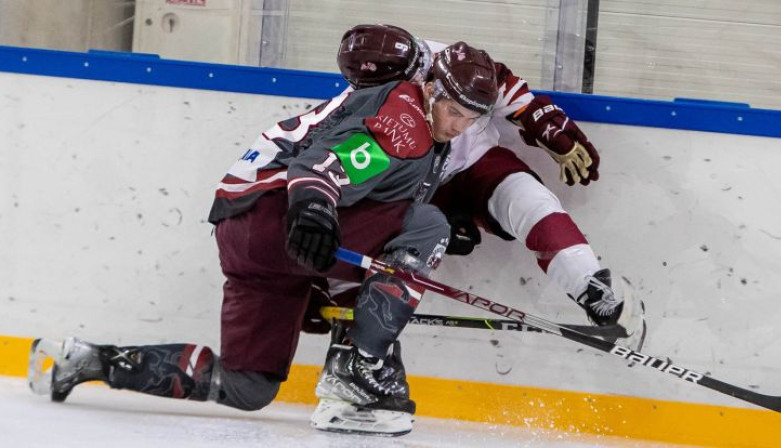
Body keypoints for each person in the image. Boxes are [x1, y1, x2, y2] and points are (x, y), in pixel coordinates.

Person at [28, 40, 500, 437]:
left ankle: (85, 361)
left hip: (247, 236)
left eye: (471, 118)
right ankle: (361, 368)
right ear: (430, 88)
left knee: (247, 386)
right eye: (454, 110)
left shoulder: (416, 122)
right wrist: (317, 210)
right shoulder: (405, 122)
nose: (459, 125)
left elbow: (371, 191)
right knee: (428, 226)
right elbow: (321, 169)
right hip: (276, 218)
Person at [305, 24, 646, 436]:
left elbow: (499, 81)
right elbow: (342, 197)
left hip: (472, 162)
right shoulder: (359, 108)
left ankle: (591, 286)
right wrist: (317, 284)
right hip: (413, 189)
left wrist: (544, 122)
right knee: (378, 256)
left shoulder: (434, 60)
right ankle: (354, 370)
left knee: (526, 198)